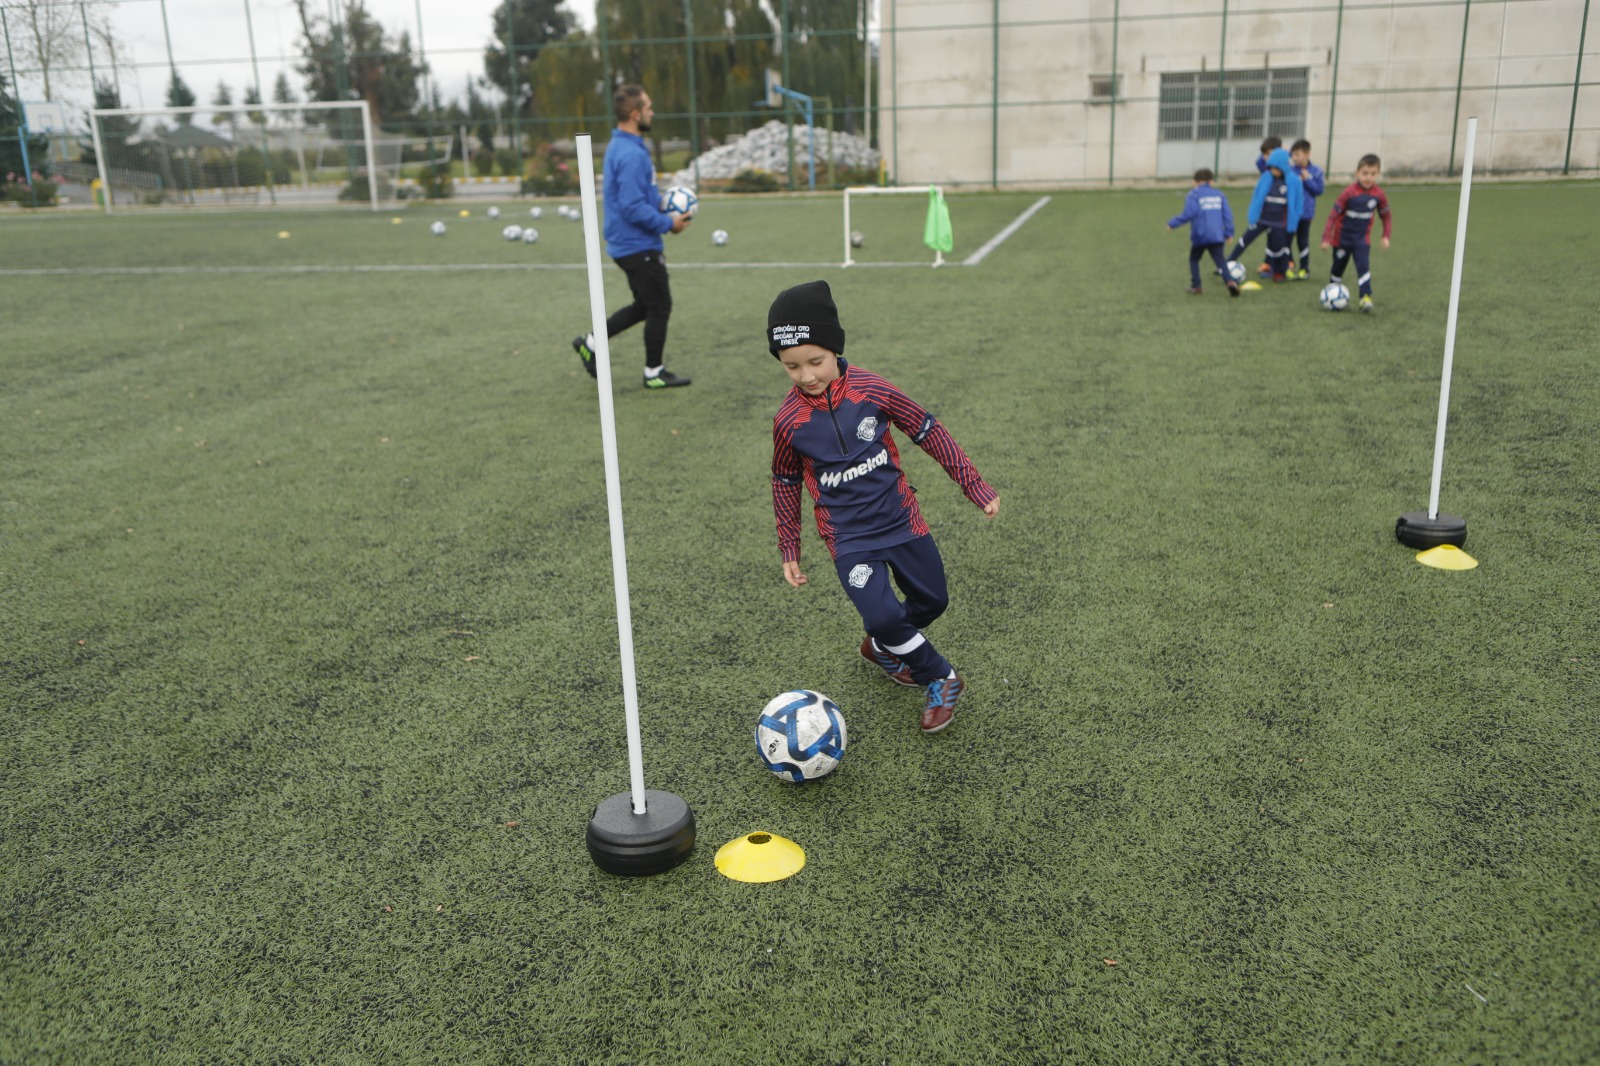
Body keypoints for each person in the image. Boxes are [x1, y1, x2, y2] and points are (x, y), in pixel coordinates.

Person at [767, 281, 999, 734]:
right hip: (848, 537)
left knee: (932, 600)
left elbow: (928, 430)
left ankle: (883, 645)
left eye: (815, 361)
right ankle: (942, 678)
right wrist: (789, 547)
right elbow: (785, 481)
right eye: (791, 366)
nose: (806, 375)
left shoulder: (872, 390)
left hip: (901, 519)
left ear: (835, 349)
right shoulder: (788, 421)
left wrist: (974, 486)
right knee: (881, 612)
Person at [570, 84, 693, 389]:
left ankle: (591, 342)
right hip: (636, 245)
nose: (653, 111)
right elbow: (632, 206)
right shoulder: (630, 153)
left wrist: (663, 203)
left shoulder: (625, 145)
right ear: (636, 114)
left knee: (645, 305)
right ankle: (654, 372)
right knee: (660, 304)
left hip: (630, 243)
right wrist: (668, 222)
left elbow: (639, 197)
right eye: (649, 107)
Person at [1320, 153, 1392, 314]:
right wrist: (1326, 238)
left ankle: (1365, 297)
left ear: (1378, 174)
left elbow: (1386, 216)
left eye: (1373, 174)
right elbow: (1332, 216)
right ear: (1357, 173)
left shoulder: (1378, 195)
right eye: (1365, 173)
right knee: (1337, 271)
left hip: (1361, 241)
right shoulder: (1348, 193)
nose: (1368, 177)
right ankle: (1332, 296)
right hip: (1341, 240)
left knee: (1363, 268)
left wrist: (1385, 235)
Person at [1168, 168, 1238, 297]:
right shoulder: (1219, 195)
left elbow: (1189, 213)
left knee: (1194, 259)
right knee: (1220, 261)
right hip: (1217, 235)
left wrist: (1172, 223)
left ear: (1195, 182)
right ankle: (1230, 282)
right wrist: (1229, 233)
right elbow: (1227, 215)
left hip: (1200, 235)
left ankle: (1196, 286)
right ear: (1211, 181)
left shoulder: (1193, 195)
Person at [1240, 147, 1302, 283]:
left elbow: (1297, 203)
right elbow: (1257, 196)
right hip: (1263, 219)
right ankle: (1227, 264)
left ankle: (1280, 273)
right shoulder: (1267, 177)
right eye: (1271, 168)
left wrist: (1294, 220)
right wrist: (1253, 215)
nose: (1273, 171)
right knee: (1245, 240)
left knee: (1279, 248)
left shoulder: (1293, 181)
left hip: (1280, 222)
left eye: (1276, 168)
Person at [1225, 136, 1283, 275]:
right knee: (1247, 237)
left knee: (1275, 242)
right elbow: (1260, 163)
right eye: (1264, 154)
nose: (1264, 157)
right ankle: (1228, 263)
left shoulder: (1287, 173)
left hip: (1278, 215)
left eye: (1268, 154)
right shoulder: (1264, 165)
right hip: (1263, 212)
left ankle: (1270, 266)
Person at [1289, 139, 1326, 280]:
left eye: (1298, 154)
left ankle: (1304, 269)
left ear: (1307, 154)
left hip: (1306, 213)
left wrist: (1307, 180)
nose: (1295, 158)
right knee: (1287, 241)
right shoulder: (1291, 171)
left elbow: (1319, 190)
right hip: (1291, 213)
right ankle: (1289, 267)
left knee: (1302, 241)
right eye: (1293, 155)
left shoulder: (1316, 171)